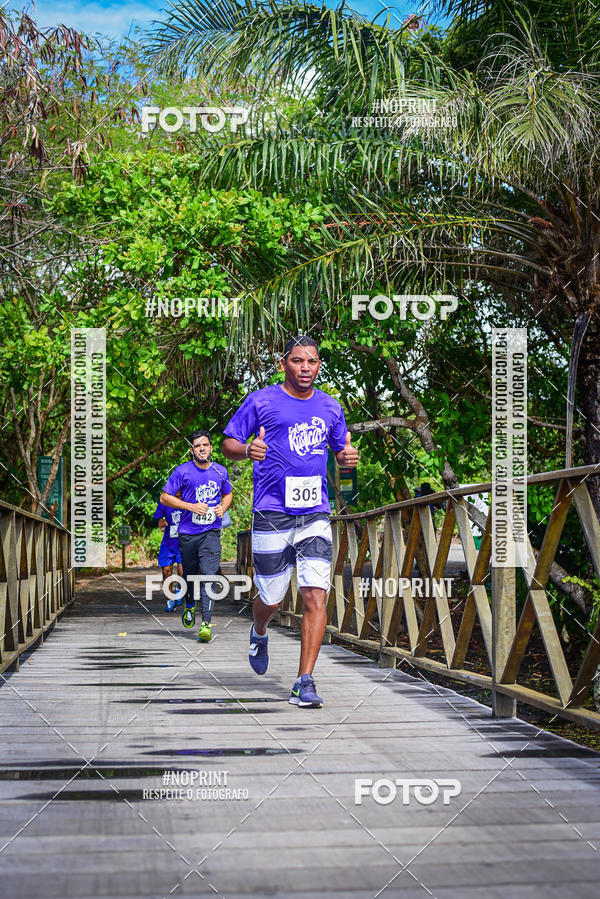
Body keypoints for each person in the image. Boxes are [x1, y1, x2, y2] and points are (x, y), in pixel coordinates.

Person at [222, 335, 358, 708]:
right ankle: (260, 628)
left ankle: (305, 681)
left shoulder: (331, 407)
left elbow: (340, 452)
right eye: (297, 361)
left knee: (316, 593)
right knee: (272, 596)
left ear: (318, 366)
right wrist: (248, 449)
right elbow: (228, 443)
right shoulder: (262, 400)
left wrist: (347, 462)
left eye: (311, 362)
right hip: (271, 511)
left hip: (315, 512)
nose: (305, 368)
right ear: (284, 364)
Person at [159, 431, 233, 643]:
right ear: (191, 449)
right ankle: (189, 604)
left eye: (206, 445)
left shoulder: (220, 471)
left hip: (211, 532)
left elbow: (228, 493)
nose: (202, 448)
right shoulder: (182, 471)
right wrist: (189, 506)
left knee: (209, 576)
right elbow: (165, 497)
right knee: (190, 576)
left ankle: (206, 624)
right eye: (198, 445)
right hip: (188, 534)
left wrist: (222, 508)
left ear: (211, 448)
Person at [152, 501, 185, 611]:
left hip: (184, 543)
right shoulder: (165, 501)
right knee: (166, 572)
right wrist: (159, 521)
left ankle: (179, 590)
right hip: (168, 544)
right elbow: (154, 520)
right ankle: (170, 599)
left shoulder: (189, 499)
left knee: (182, 572)